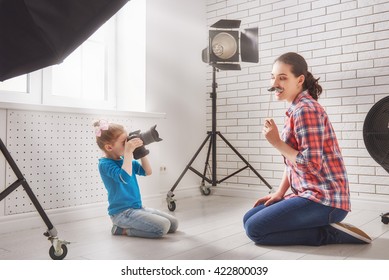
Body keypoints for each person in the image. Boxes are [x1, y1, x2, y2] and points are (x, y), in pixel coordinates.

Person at [243, 52, 371, 246]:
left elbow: (311, 165)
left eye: (283, 78)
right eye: (273, 76)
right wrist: (279, 192)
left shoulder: (306, 110)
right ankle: (319, 226)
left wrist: (276, 142)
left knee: (255, 230)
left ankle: (328, 234)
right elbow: (292, 162)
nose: (275, 83)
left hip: (325, 200)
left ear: (300, 80)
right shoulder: (294, 109)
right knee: (249, 218)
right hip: (306, 194)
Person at [94, 120, 178, 238]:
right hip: (121, 213)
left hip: (138, 208)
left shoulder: (125, 160)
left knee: (173, 224)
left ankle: (136, 222)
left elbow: (147, 172)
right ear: (109, 147)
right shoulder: (105, 164)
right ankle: (121, 230)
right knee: (163, 227)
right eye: (124, 142)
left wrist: (141, 152)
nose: (128, 144)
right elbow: (125, 178)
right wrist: (128, 152)